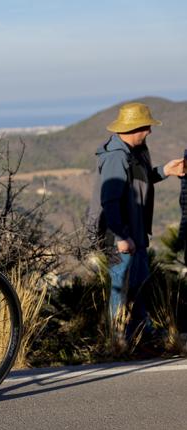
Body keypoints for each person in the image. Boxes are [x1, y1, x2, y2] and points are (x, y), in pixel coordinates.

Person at [92, 102, 183, 341]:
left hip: (136, 232)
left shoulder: (134, 153)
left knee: (139, 285)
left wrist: (165, 170)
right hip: (121, 236)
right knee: (120, 288)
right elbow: (109, 202)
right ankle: (118, 339)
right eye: (147, 127)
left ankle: (142, 333)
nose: (150, 132)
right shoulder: (116, 157)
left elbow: (138, 182)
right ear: (135, 128)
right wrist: (121, 237)